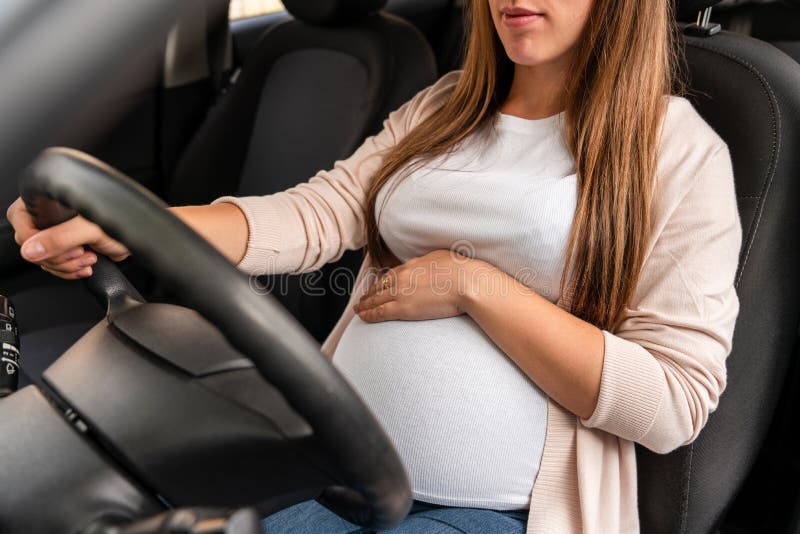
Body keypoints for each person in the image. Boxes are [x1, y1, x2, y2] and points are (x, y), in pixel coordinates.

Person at [6, 0, 742, 532]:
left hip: (489, 515)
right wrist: (131, 227)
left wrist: (474, 285)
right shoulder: (442, 109)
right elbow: (314, 214)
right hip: (331, 473)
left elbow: (674, 402)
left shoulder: (675, 150)